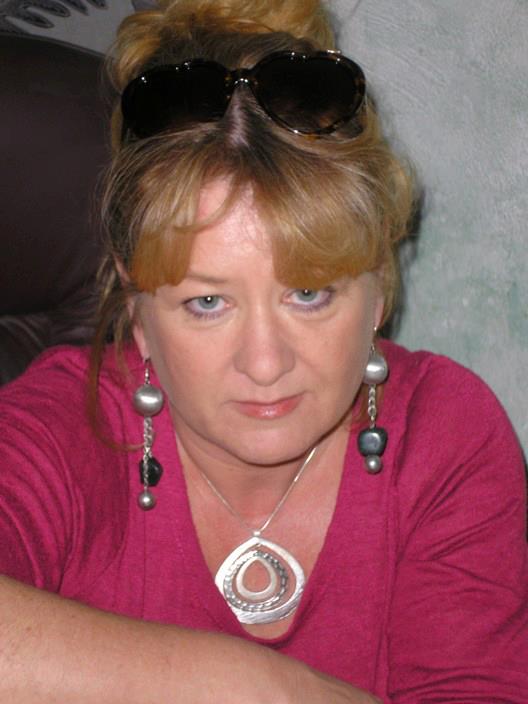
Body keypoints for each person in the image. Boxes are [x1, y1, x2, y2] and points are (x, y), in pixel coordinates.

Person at [1, 0, 527, 701]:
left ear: (378, 287)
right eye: (207, 303)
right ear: (137, 309)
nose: (265, 362)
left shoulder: (446, 435)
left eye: (308, 294)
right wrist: (250, 686)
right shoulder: (63, 428)